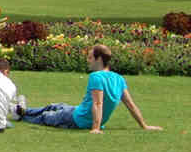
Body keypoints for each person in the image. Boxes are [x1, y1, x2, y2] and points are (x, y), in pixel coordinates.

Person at [20, 44, 161, 132]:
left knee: (46, 117)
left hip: (77, 120)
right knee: (54, 106)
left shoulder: (96, 77)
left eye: (90, 58)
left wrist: (95, 128)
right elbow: (130, 105)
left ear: (98, 59)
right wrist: (144, 125)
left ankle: (20, 115)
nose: (88, 61)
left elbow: (98, 103)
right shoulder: (119, 78)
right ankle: (22, 110)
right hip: (78, 112)